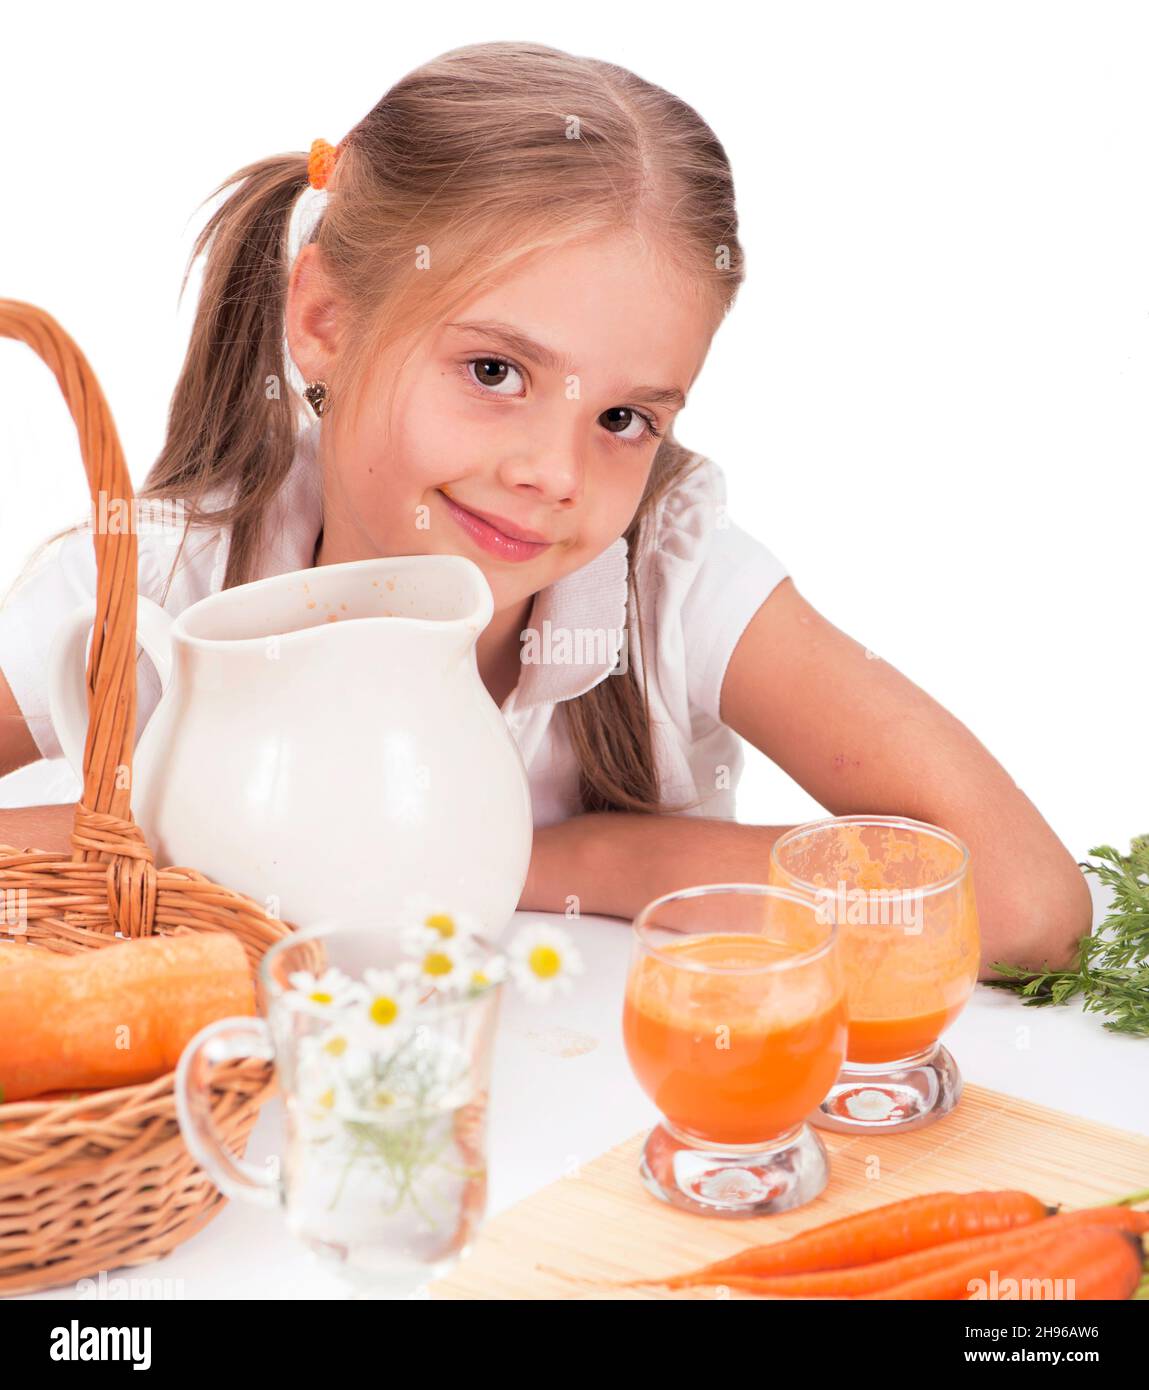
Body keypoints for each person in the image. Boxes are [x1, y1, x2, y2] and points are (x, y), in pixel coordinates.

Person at [0, 41, 1090, 973]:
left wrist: (570, 857)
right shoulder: (150, 584)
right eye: (493, 373)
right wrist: (146, 835)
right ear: (326, 320)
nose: (555, 475)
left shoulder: (669, 580)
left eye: (623, 419)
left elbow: (1027, 906)